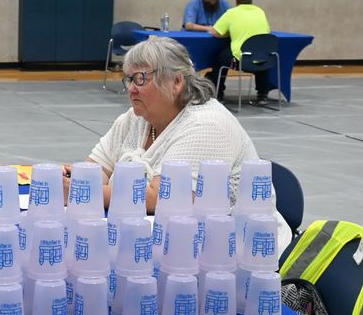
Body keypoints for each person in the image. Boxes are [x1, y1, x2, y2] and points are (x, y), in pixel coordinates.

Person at [64, 36, 258, 213]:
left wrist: (79, 191)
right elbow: (98, 168)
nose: (131, 89)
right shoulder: (135, 118)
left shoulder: (206, 125)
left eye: (140, 79)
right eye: (130, 79)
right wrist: (72, 179)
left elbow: (161, 198)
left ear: (176, 82)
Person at [209, 0, 273, 103]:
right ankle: (262, 94)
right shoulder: (260, 12)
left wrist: (229, 33)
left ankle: (218, 93)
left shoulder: (231, 13)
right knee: (261, 54)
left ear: (236, 0)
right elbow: (267, 32)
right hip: (260, 59)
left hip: (240, 60)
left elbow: (215, 32)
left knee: (218, 58)